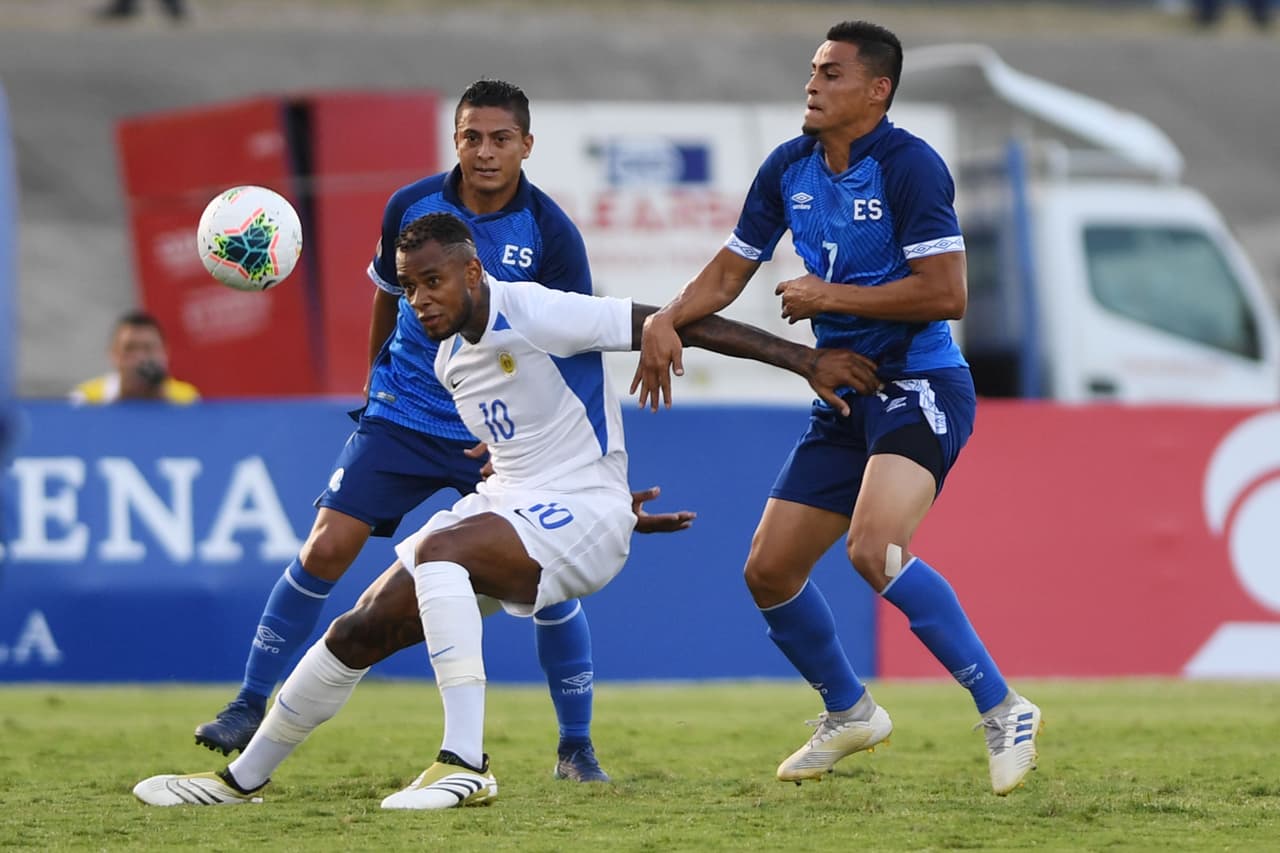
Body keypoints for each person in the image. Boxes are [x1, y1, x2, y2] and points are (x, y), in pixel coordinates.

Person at [131, 211, 882, 809]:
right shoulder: (450, 355)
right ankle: (240, 781)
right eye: (407, 286)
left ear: (472, 271)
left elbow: (675, 322)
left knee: (438, 552)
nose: (419, 299)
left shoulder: (538, 312)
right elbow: (527, 442)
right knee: (359, 626)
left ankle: (464, 762)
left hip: (583, 512)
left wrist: (805, 361)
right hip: (522, 505)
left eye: (432, 282)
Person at [632, 20, 1042, 796]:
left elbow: (948, 293)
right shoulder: (788, 166)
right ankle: (849, 710)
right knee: (769, 568)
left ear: (876, 90)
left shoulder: (910, 166)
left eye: (832, 74)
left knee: (873, 547)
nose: (813, 85)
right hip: (845, 390)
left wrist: (829, 295)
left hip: (920, 383)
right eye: (813, 72)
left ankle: (1003, 706)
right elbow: (726, 273)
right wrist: (664, 316)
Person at [192, 80, 619, 783]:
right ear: (454, 139)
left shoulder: (551, 231)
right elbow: (388, 299)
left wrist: (539, 434)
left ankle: (576, 745)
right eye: (471, 136)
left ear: (526, 146)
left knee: (548, 584)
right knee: (328, 543)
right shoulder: (411, 205)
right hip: (405, 410)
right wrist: (373, 385)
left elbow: (570, 339)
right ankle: (247, 701)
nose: (484, 151)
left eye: (500, 139)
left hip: (498, 429)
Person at [70, 311, 200, 405]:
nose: (140, 358)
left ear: (165, 353)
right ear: (113, 354)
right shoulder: (86, 400)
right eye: (129, 348)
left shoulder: (185, 399)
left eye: (148, 348)